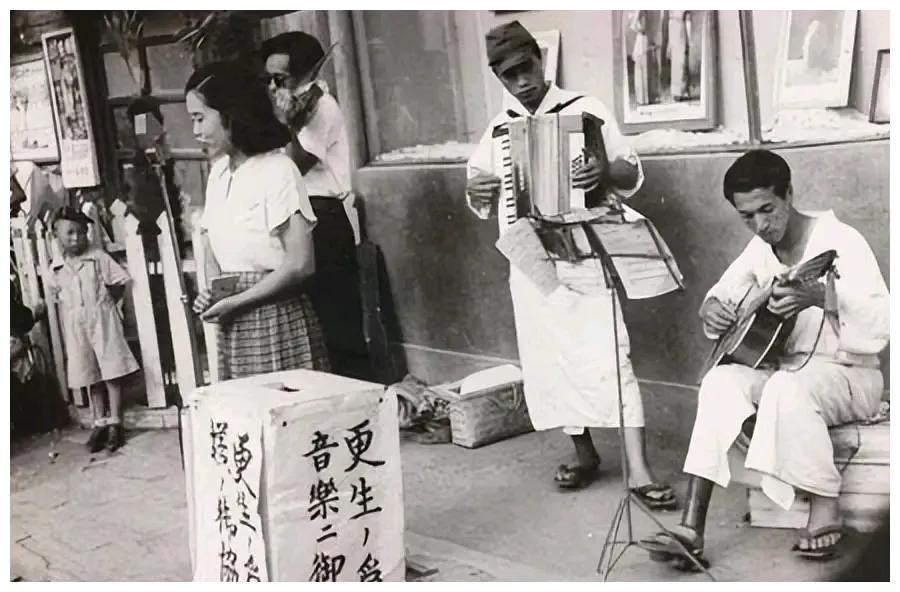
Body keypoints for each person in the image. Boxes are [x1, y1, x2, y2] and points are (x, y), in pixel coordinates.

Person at [639, 150, 889, 569]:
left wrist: (822, 297)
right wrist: (711, 308)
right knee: (719, 383)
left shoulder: (842, 241)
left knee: (785, 388)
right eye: (747, 216)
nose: (760, 225)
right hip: (788, 376)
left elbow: (882, 324)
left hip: (850, 376)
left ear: (789, 194)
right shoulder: (760, 248)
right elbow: (722, 294)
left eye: (767, 210)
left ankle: (825, 507)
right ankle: (691, 527)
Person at [465, 20, 676, 509]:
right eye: (510, 75)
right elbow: (479, 192)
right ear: (498, 78)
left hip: (585, 252)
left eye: (527, 67)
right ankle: (584, 454)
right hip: (531, 262)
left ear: (541, 59)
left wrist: (605, 170)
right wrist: (477, 190)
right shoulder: (498, 130)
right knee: (551, 360)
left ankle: (639, 470)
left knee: (611, 354)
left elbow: (630, 170)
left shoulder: (585, 110)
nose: (522, 81)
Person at [187, 61, 329, 380]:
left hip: (274, 318)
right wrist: (213, 293)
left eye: (200, 118)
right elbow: (212, 248)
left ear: (231, 114)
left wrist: (239, 301)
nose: (195, 131)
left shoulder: (277, 170)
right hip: (234, 321)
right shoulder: (219, 174)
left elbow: (300, 263)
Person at [260, 32, 368, 380]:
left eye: (281, 79)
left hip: (324, 216)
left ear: (306, 73)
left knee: (338, 323)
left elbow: (296, 164)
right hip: (298, 218)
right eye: (269, 79)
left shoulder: (322, 106)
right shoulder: (293, 107)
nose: (274, 87)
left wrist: (283, 123)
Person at [45, 207, 139, 452]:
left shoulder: (98, 258)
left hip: (102, 319)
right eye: (69, 233)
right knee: (89, 372)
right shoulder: (57, 267)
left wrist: (107, 303)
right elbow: (57, 293)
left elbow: (120, 281)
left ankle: (115, 422)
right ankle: (100, 422)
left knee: (111, 369)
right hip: (76, 324)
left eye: (81, 232)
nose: (76, 238)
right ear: (57, 236)